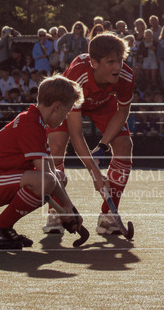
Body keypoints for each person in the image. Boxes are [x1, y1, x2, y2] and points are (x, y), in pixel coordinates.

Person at [0, 74, 85, 249]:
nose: (66, 118)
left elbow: (53, 172)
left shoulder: (37, 123)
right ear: (57, 106)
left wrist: (69, 208)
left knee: (59, 178)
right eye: (67, 112)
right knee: (47, 181)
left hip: (0, 179)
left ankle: (4, 228)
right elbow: (46, 176)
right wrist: (67, 208)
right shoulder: (30, 122)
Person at [46, 31, 134, 237]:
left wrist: (103, 145)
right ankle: (57, 210)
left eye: (120, 61)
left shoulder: (126, 77)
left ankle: (108, 217)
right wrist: (95, 172)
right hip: (67, 100)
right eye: (111, 62)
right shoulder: (78, 75)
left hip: (103, 103)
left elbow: (122, 112)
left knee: (124, 145)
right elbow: (76, 134)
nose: (118, 67)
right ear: (94, 63)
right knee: (56, 146)